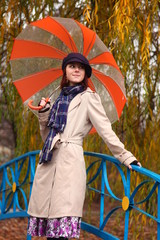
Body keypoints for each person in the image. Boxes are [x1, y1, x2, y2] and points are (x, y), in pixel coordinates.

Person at [27, 52, 141, 239]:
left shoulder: (89, 98)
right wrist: (45, 113)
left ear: (86, 73)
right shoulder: (58, 99)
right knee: (51, 230)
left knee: (61, 226)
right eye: (72, 66)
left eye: (80, 67)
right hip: (48, 164)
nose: (76, 69)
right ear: (65, 70)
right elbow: (47, 136)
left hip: (69, 164)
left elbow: (106, 131)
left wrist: (126, 156)